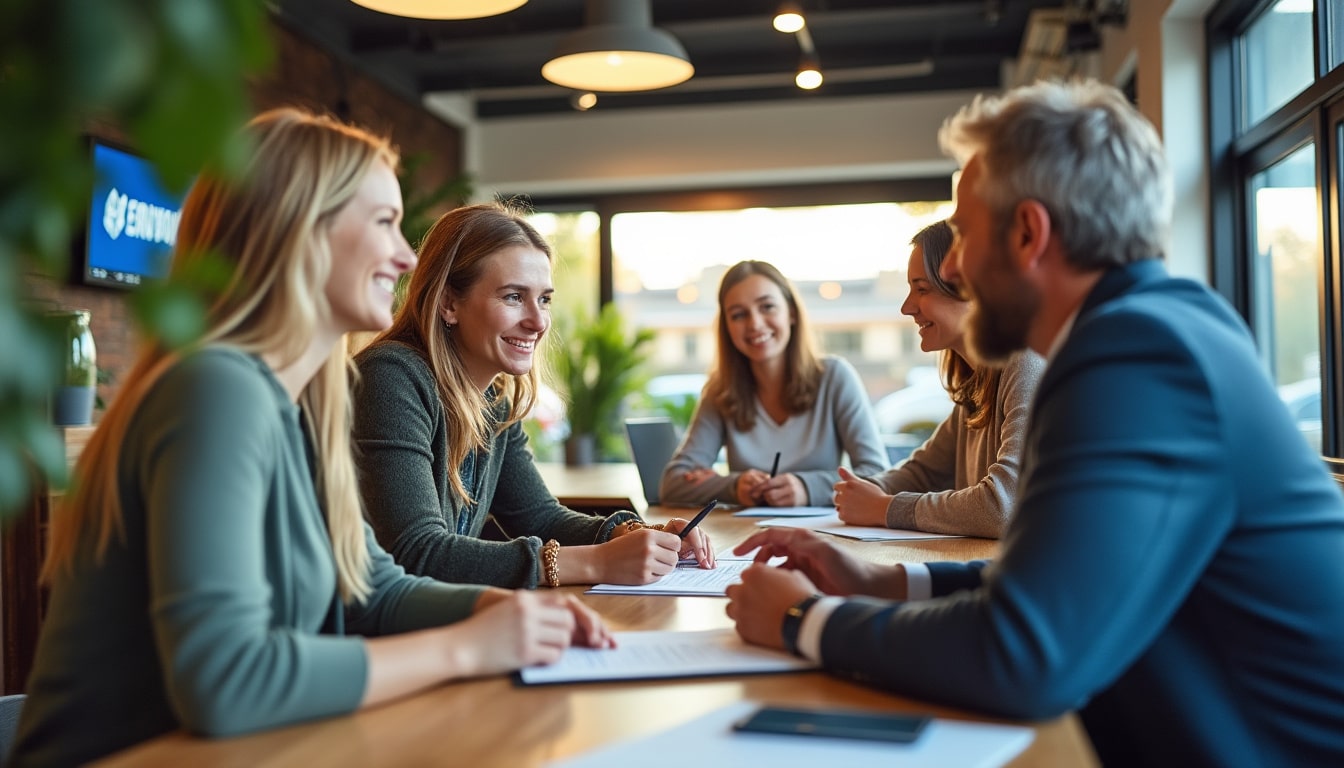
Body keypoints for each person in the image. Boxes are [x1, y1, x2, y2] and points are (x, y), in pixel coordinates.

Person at [725, 79, 1344, 765]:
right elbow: (1057, 576)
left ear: (1027, 233)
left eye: (961, 233)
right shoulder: (1157, 325)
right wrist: (887, 581)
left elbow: (1023, 655)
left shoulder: (1135, 355)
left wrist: (802, 620)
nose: (953, 264)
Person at [11, 110, 613, 768]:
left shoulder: (304, 401)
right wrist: (469, 645)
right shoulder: (216, 389)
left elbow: (374, 589)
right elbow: (228, 683)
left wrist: (504, 610)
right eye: (385, 223)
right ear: (301, 232)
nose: (409, 257)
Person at [352, 203, 713, 591]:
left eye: (544, 299)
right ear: (448, 303)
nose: (538, 322)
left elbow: (539, 517)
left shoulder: (492, 397)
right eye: (512, 297)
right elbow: (417, 554)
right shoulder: (389, 377)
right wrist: (593, 563)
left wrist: (634, 534)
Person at [832, 220, 1043, 538]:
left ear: (972, 290)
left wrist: (884, 508)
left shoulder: (1025, 363)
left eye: (922, 289)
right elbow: (924, 472)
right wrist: (862, 492)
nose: (907, 308)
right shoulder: (978, 383)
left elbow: (1002, 506)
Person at [660, 261, 887, 507]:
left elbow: (877, 476)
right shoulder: (721, 390)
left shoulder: (835, 376)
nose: (755, 323)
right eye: (738, 314)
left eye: (767, 307)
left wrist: (806, 488)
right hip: (745, 537)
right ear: (726, 326)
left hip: (823, 537)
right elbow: (672, 484)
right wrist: (734, 487)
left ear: (790, 312)